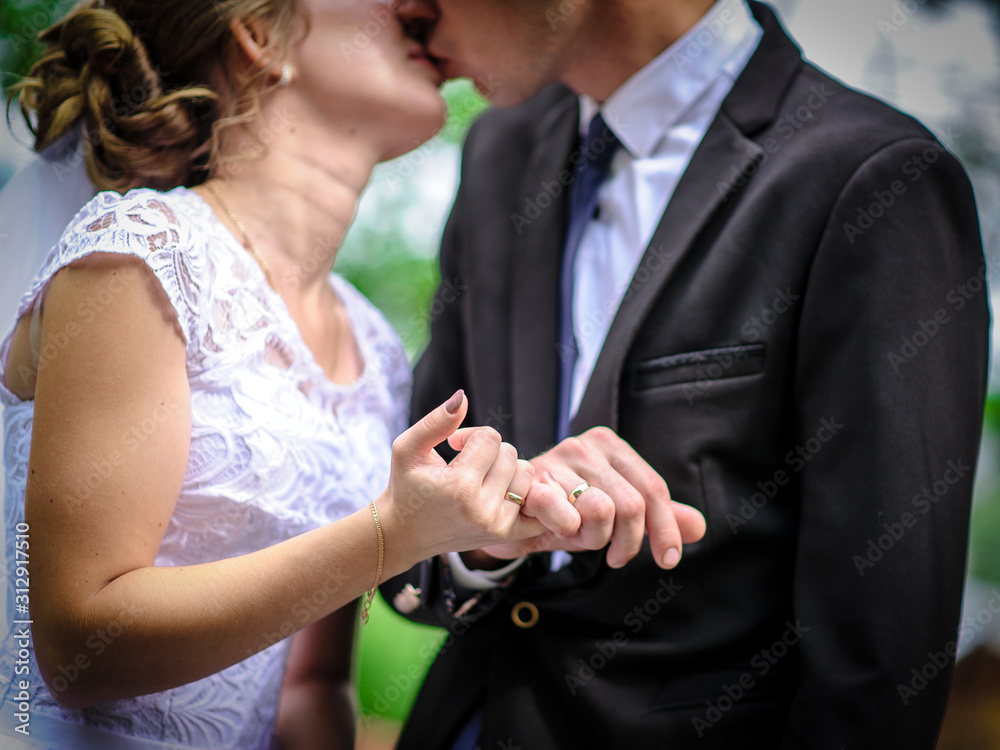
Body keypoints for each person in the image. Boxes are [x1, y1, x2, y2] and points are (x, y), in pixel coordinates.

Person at [383, 0, 991, 747]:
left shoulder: (872, 180)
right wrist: (485, 540)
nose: (402, 8)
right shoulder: (498, 152)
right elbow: (412, 540)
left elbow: (878, 666)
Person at [0, 1, 592, 747]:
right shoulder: (140, 257)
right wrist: (390, 535)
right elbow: (76, 651)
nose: (419, 6)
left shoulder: (369, 344)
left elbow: (312, 687)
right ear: (258, 34)